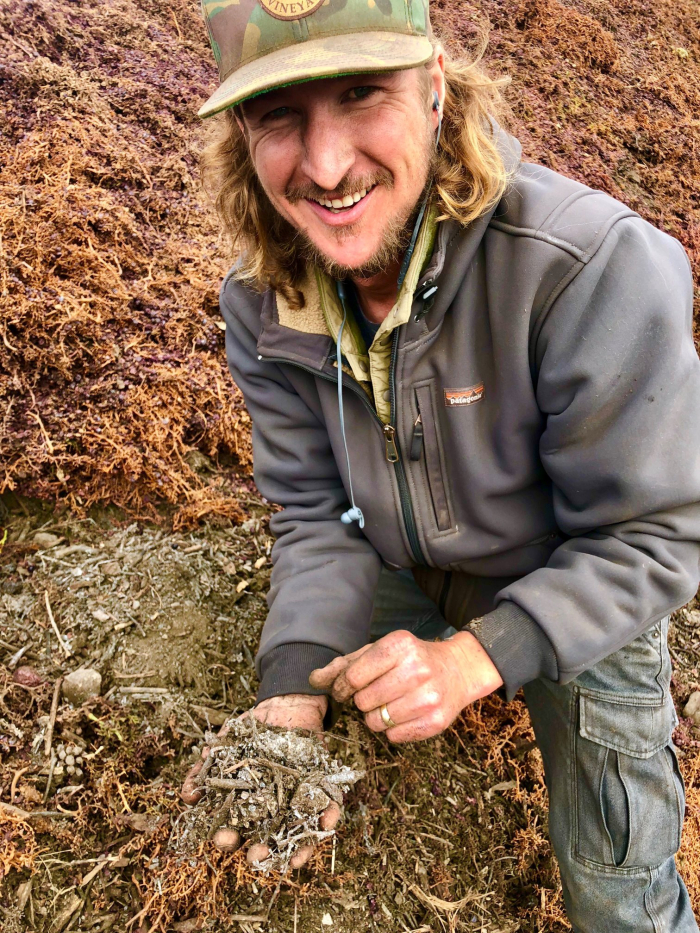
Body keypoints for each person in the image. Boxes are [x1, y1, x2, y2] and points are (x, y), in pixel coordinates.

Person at [181, 0, 700, 928]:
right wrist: (293, 691)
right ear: (240, 139)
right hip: (405, 560)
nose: (327, 164)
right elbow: (314, 510)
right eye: (280, 118)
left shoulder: (585, 265)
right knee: (292, 667)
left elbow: (654, 534)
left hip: (577, 575)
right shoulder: (266, 299)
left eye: (360, 94)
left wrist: (472, 660)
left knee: (618, 894)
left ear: (433, 89)